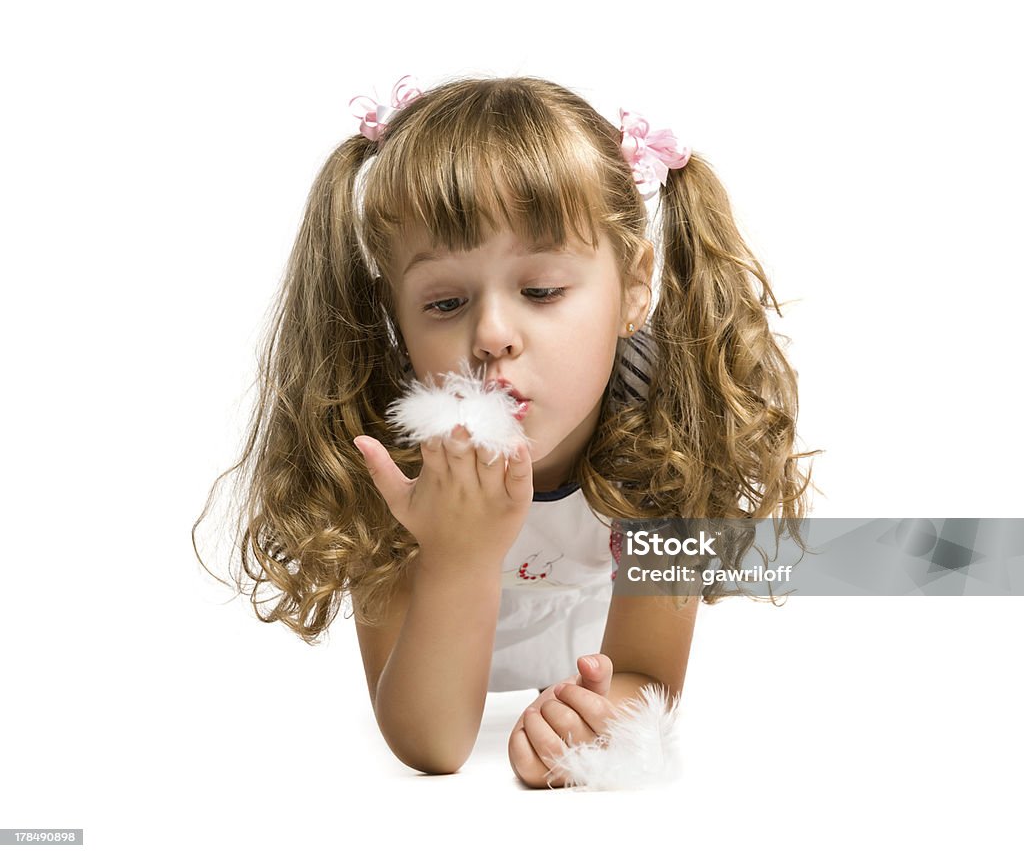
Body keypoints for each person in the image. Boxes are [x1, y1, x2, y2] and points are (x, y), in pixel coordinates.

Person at [193, 74, 814, 789]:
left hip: (595, 625)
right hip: (441, 648)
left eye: (543, 291)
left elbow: (646, 674)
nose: (491, 335)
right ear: (395, 316)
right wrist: (458, 554)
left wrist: (595, 716)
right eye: (446, 300)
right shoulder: (384, 449)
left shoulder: (665, 431)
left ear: (635, 287)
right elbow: (431, 742)